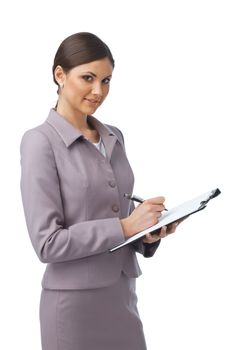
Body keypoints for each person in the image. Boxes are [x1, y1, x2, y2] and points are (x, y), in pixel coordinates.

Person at [20, 32, 182, 350]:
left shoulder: (113, 136)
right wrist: (125, 226)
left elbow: (116, 215)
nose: (98, 91)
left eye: (106, 80)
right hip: (73, 308)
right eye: (88, 78)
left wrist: (145, 233)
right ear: (59, 75)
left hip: (122, 297)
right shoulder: (40, 142)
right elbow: (47, 243)